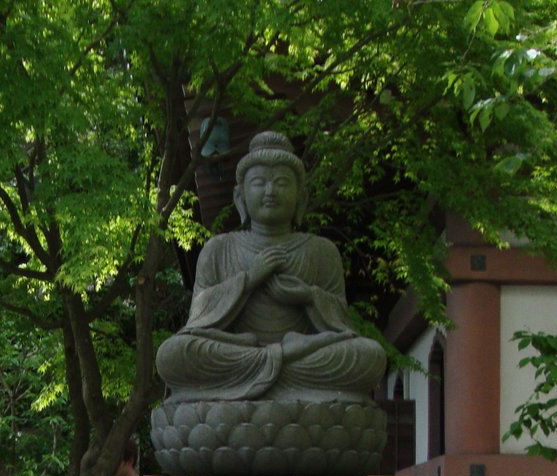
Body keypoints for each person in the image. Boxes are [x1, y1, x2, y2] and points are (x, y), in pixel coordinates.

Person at [154, 131, 386, 404]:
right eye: (259, 183)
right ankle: (278, 365)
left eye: (281, 183)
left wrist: (309, 296)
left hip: (303, 355)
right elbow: (198, 319)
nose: (270, 191)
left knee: (368, 355)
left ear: (301, 196)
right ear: (240, 197)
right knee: (173, 354)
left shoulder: (321, 251)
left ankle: (279, 365)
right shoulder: (218, 249)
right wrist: (249, 278)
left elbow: (340, 325)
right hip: (240, 352)